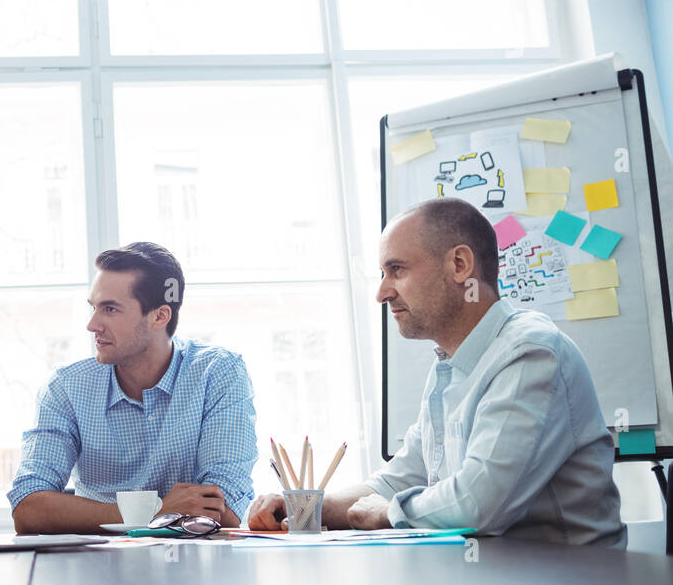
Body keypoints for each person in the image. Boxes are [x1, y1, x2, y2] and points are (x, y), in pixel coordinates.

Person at [247, 198, 626, 546]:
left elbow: (478, 503)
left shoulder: (531, 354)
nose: (382, 292)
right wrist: (303, 507)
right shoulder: (450, 365)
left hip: (567, 584)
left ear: (459, 266)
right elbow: (400, 479)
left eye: (396, 270)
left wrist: (387, 513)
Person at [9, 242, 258, 534]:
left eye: (110, 309)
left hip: (193, 565)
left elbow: (224, 509)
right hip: (98, 567)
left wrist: (103, 515)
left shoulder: (217, 374)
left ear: (159, 316)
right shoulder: (66, 388)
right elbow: (27, 508)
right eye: (94, 307)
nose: (92, 325)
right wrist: (153, 511)